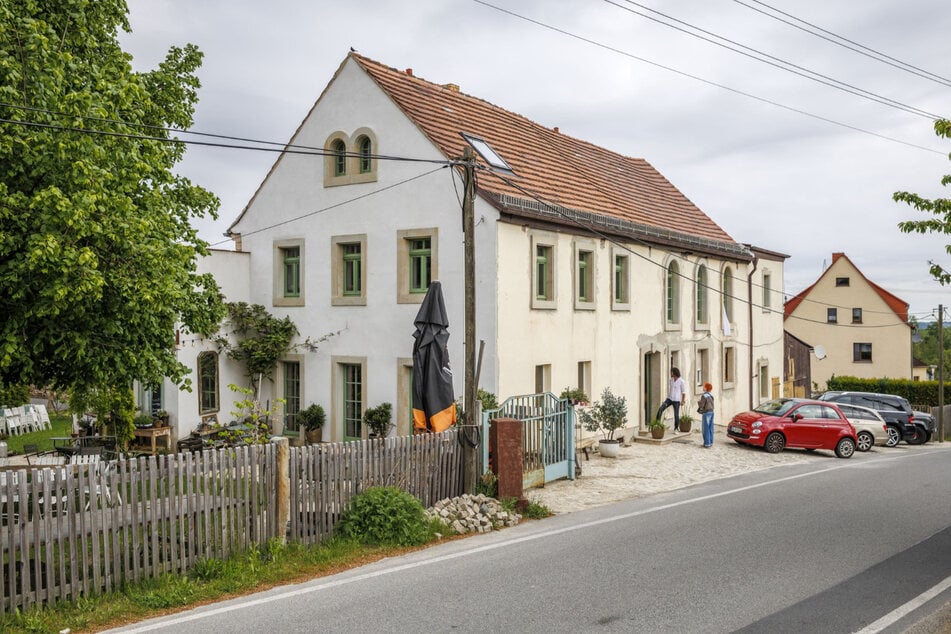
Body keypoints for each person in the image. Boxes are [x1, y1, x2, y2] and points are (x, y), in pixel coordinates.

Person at [656, 367, 687, 431]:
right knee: (661, 408)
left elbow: (683, 392)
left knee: (676, 415)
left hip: (676, 400)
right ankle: (657, 424)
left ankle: (676, 428)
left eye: (671, 372)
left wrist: (683, 401)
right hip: (669, 399)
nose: (671, 373)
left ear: (674, 372)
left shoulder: (681, 381)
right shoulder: (671, 380)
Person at [699, 382, 715, 448]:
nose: (703, 387)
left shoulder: (704, 396)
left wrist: (699, 402)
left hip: (706, 413)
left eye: (704, 386)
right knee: (711, 428)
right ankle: (711, 442)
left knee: (706, 428)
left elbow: (702, 406)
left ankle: (707, 443)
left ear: (706, 388)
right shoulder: (711, 396)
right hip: (712, 412)